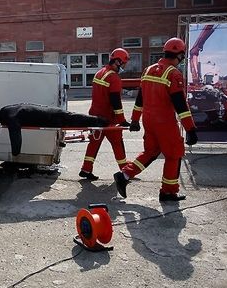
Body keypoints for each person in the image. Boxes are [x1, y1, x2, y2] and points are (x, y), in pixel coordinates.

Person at [113, 37, 198, 202]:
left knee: (150, 152)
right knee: (174, 155)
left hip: (149, 121)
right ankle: (168, 192)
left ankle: (124, 175)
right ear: (179, 55)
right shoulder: (173, 74)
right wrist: (191, 129)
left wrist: (136, 119)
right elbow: (181, 106)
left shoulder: (148, 70)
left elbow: (140, 99)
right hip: (165, 122)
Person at [79, 48, 131, 180]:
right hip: (109, 119)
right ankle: (125, 171)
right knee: (118, 143)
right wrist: (122, 120)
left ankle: (86, 169)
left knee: (94, 143)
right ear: (118, 62)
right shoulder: (114, 78)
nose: (124, 67)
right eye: (124, 63)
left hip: (94, 116)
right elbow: (115, 102)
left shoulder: (100, 73)